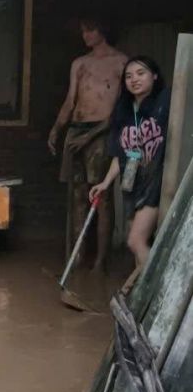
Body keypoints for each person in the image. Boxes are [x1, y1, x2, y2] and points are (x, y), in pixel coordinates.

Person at [48, 20, 126, 272]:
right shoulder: (79, 63)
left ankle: (101, 261)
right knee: (77, 196)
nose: (85, 35)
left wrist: (94, 134)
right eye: (82, 30)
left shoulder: (121, 63)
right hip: (76, 130)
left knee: (101, 198)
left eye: (89, 29)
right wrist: (57, 129)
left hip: (101, 132)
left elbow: (120, 110)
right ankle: (78, 256)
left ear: (102, 29)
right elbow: (71, 100)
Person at [90, 56, 171, 270]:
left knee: (135, 241)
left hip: (156, 181)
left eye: (140, 73)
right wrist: (105, 183)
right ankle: (139, 299)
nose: (134, 79)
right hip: (131, 182)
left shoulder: (166, 100)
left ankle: (158, 295)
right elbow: (120, 154)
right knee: (136, 246)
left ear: (154, 76)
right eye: (128, 76)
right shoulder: (123, 111)